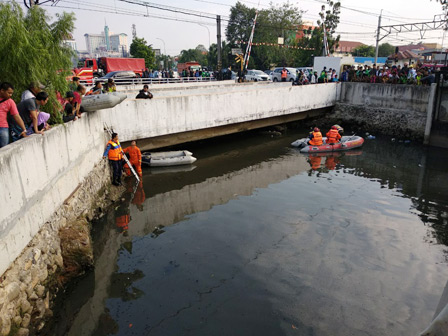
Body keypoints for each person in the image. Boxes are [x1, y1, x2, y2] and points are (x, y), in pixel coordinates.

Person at [0, 82, 27, 148]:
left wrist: (24, 129)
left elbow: (16, 116)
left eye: (11, 93)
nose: (10, 95)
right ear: (2, 90)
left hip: (3, 127)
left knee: (4, 148)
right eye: (9, 93)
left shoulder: (10, 102)